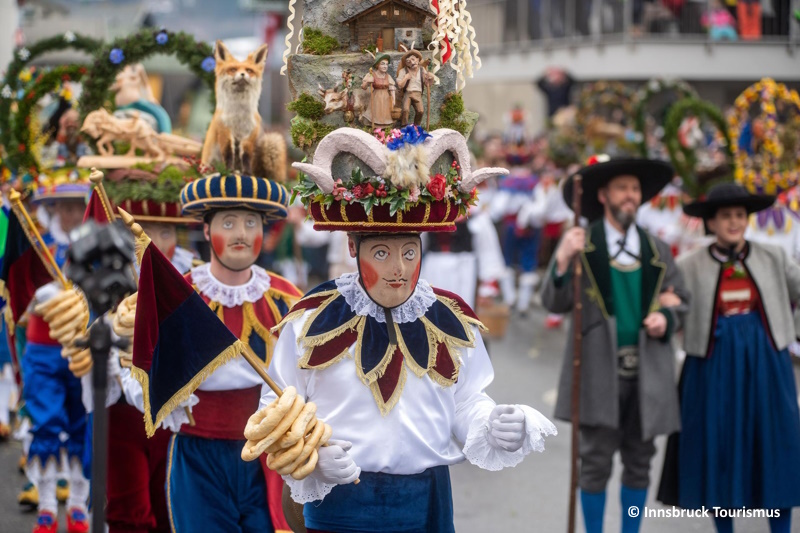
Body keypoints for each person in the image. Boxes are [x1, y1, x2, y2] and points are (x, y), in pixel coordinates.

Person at [259, 126, 557, 531]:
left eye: (409, 251)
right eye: (381, 253)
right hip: (340, 505)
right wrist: (311, 458)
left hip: (427, 503)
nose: (398, 269)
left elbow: (465, 402)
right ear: (352, 247)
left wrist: (494, 423)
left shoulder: (450, 318)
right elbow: (275, 407)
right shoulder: (310, 321)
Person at [541, 156, 689, 533]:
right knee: (593, 464)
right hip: (596, 371)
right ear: (604, 195)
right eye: (622, 188)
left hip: (648, 372)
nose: (630, 196)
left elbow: (681, 300)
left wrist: (667, 318)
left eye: (635, 189)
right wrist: (562, 259)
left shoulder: (657, 249)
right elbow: (553, 303)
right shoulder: (580, 242)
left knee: (641, 463)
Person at [151, 172, 303, 532]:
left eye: (251, 222)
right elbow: (146, 366)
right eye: (228, 222)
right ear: (206, 230)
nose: (241, 234)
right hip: (197, 456)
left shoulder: (286, 298)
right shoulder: (179, 296)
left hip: (267, 459)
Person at [658, 183, 800, 533]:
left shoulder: (774, 256)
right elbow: (669, 301)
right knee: (717, 445)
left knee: (774, 445)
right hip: (711, 364)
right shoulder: (689, 264)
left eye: (740, 215)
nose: (734, 222)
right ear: (712, 223)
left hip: (768, 363)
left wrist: (792, 330)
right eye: (726, 216)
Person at [21, 175, 91, 533]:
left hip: (82, 349)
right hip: (43, 350)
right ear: (54, 209)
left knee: (82, 425)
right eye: (65, 207)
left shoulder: (96, 247)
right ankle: (47, 506)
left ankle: (78, 506)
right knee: (46, 425)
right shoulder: (37, 246)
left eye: (78, 206)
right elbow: (21, 293)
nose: (71, 214)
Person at [396, 48, 434, 126]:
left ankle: (417, 127)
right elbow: (400, 85)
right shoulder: (403, 71)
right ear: (406, 63)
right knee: (405, 110)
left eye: (413, 59)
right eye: (409, 61)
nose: (412, 62)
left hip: (418, 93)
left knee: (420, 111)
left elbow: (427, 83)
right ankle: (404, 127)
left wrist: (430, 78)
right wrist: (406, 78)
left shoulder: (422, 70)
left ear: (418, 60)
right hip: (408, 93)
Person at [361, 55, 396, 128]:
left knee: (385, 114)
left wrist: (393, 99)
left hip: (386, 98)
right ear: (377, 65)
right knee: (376, 113)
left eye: (386, 64)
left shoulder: (388, 76)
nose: (385, 66)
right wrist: (368, 81)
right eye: (382, 64)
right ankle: (375, 128)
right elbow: (363, 87)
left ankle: (384, 129)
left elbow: (392, 88)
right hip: (376, 98)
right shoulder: (371, 75)